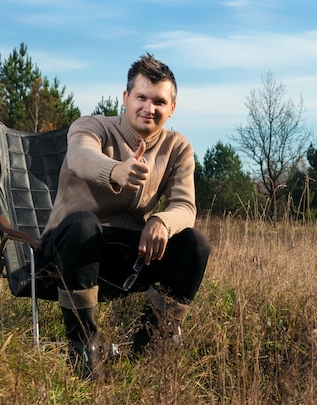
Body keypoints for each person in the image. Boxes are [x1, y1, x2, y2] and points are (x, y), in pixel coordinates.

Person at [37, 52, 211, 379]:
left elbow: (185, 207)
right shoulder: (92, 126)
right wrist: (115, 170)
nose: (149, 108)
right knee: (82, 223)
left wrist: (162, 221)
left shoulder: (178, 148)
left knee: (195, 243)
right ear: (125, 98)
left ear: (171, 108)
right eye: (141, 97)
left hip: (127, 258)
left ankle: (146, 349)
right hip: (65, 254)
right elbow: (79, 156)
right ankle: (85, 351)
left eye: (159, 101)